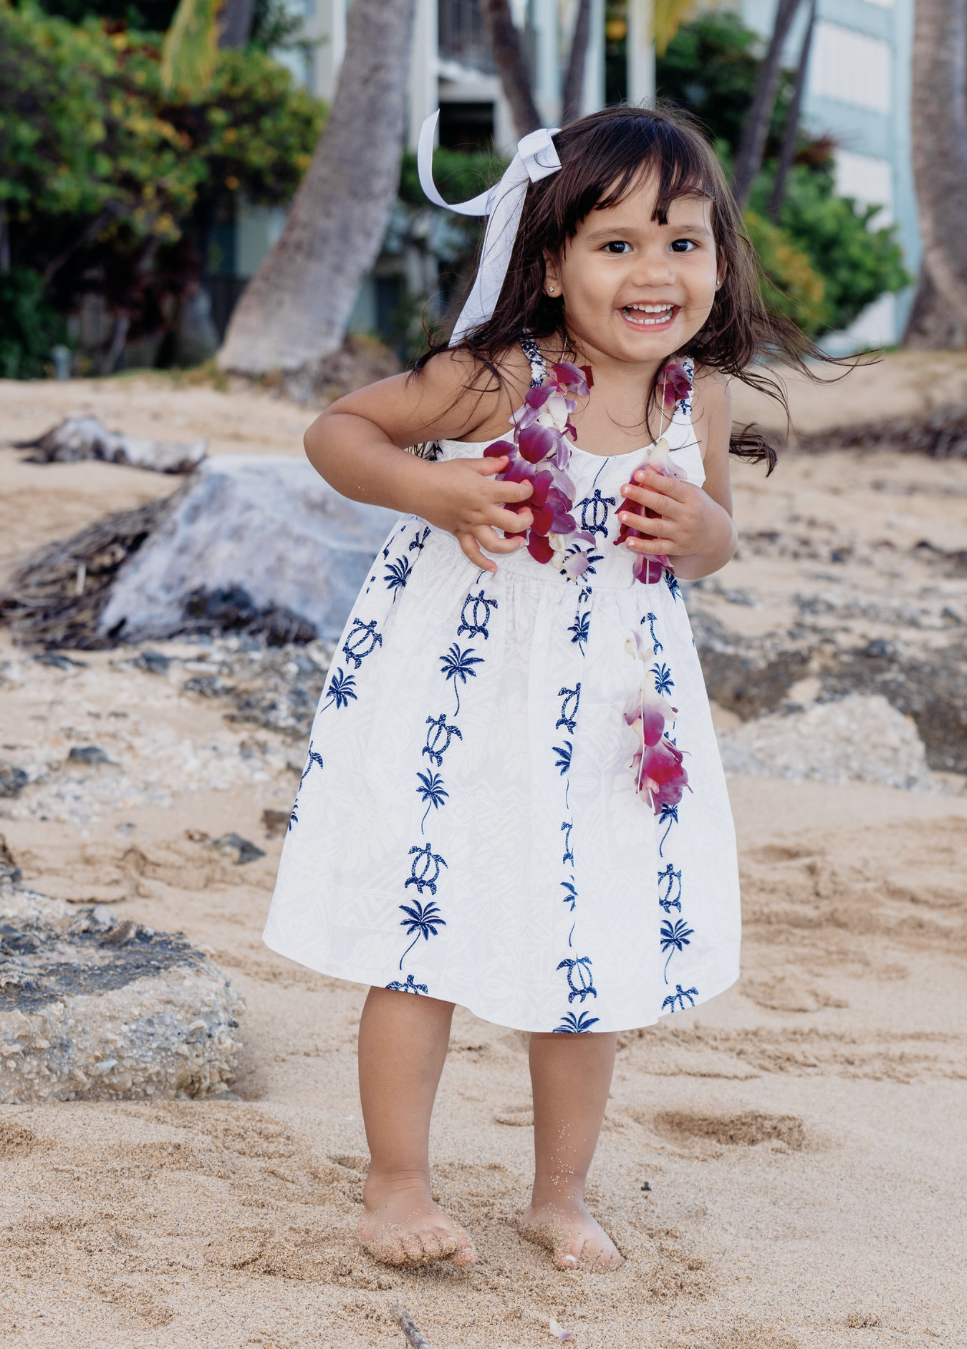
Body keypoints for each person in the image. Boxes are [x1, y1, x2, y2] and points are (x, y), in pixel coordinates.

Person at [263, 104, 818, 1273]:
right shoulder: (501, 380)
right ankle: (395, 1182)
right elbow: (339, 432)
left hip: (617, 708)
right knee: (426, 931)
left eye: (684, 241)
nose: (655, 270)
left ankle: (558, 1191)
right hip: (464, 695)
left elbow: (715, 544)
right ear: (553, 262)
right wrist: (439, 495)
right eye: (617, 244)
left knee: (594, 945)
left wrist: (702, 526)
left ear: (721, 257)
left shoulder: (694, 397)